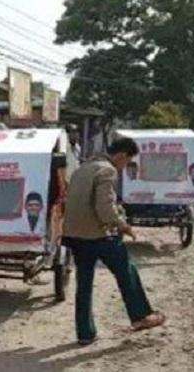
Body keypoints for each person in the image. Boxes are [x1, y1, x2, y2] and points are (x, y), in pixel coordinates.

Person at [62, 136, 165, 345]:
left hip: (75, 235)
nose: (124, 167)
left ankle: (85, 333)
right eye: (126, 162)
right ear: (121, 155)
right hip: (99, 235)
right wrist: (123, 225)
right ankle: (140, 316)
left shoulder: (83, 168)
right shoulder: (107, 170)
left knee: (84, 284)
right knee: (127, 271)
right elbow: (105, 207)